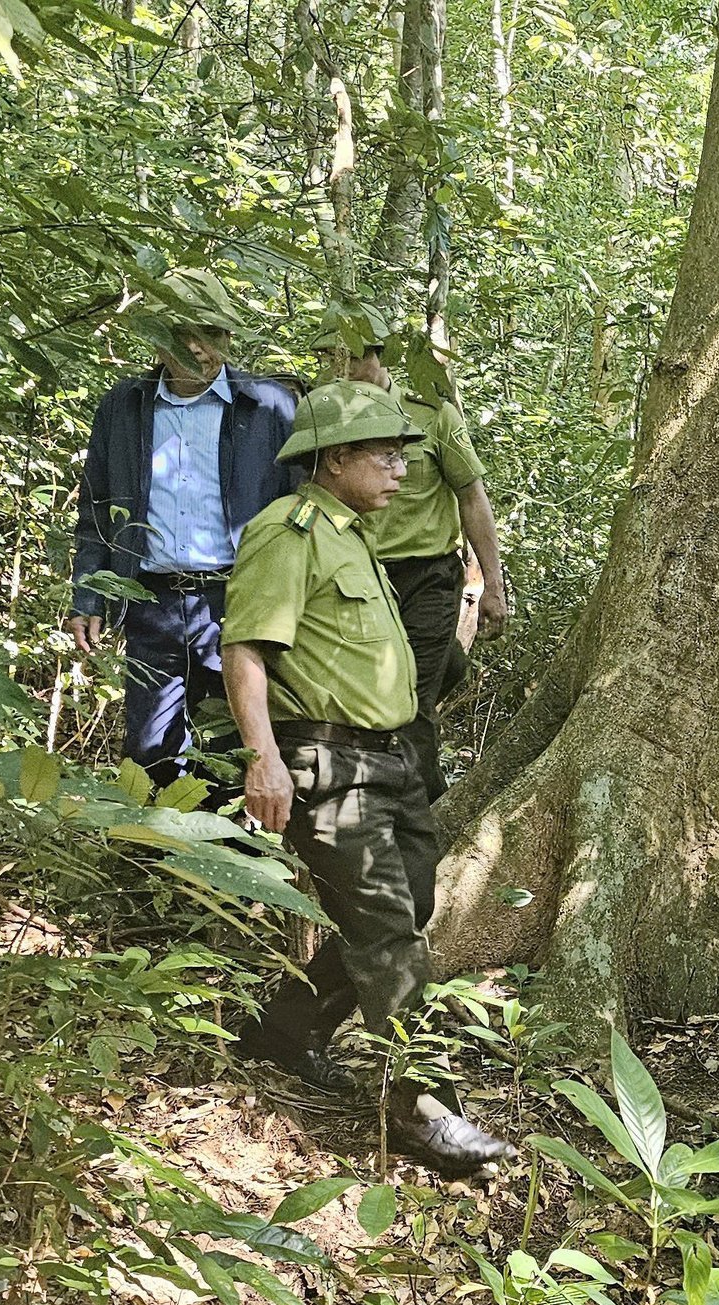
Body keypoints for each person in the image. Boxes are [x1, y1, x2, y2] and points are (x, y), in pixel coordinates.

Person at [221, 380, 514, 1174]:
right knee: (389, 928)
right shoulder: (291, 533)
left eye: (403, 455)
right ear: (336, 458)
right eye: (384, 455)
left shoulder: (356, 535)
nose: (401, 471)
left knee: (411, 901)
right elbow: (245, 649)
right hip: (327, 762)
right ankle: (424, 1109)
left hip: (391, 759)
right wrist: (264, 758)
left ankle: (281, 1028)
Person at [64, 270, 299, 785]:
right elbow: (98, 507)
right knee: (150, 747)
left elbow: (300, 506)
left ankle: (231, 854)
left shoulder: (270, 406)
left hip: (239, 599)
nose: (198, 348)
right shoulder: (124, 407)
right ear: (157, 338)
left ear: (228, 338)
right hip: (151, 600)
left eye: (210, 334)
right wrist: (89, 594)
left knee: (238, 739)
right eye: (183, 334)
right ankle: (158, 857)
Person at [344, 342, 508, 799]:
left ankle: (426, 814)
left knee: (409, 704)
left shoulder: (431, 417)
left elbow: (472, 497)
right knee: (372, 696)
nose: (349, 369)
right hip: (357, 578)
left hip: (426, 577)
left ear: (381, 357)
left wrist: (493, 584)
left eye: (359, 357)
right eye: (334, 358)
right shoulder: (327, 419)